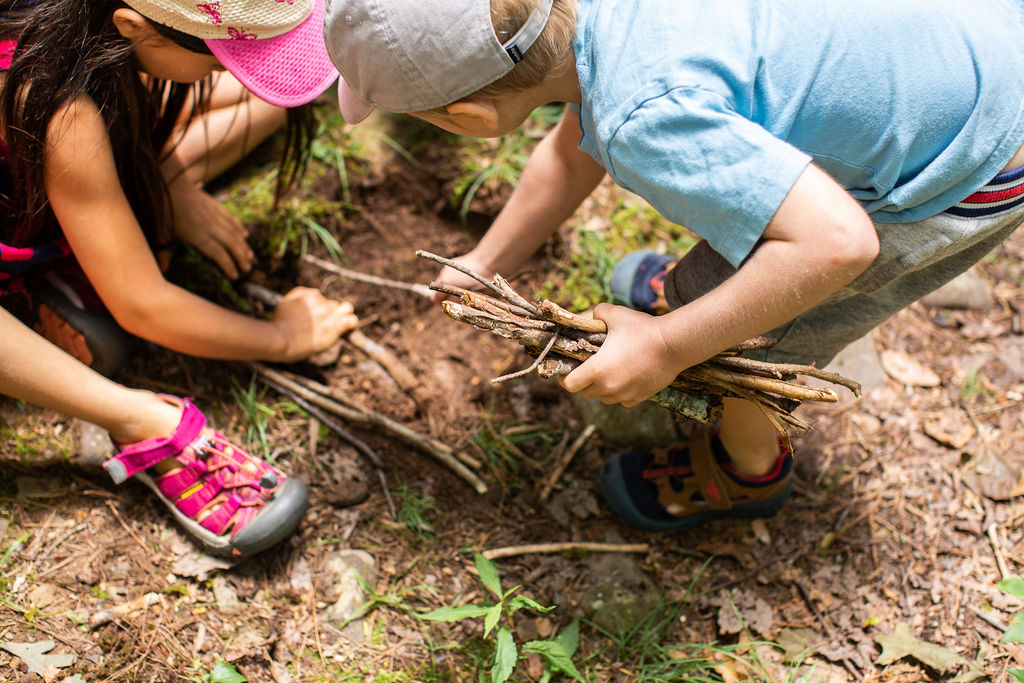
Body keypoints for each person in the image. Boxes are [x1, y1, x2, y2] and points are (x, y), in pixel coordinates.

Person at [323, 0, 1024, 532]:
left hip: (969, 168)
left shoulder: (641, 119)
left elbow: (839, 244)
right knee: (725, 270)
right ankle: (707, 298)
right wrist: (484, 261)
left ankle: (748, 471)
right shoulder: (594, 24)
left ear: (470, 119)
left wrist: (667, 344)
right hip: (979, 39)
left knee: (751, 342)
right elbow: (569, 154)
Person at [0, 0, 359, 557]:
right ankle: (136, 418)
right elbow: (144, 304)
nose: (221, 72)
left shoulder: (76, 26)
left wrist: (169, 175)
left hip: (56, 135)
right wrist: (283, 339)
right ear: (133, 27)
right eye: (218, 60)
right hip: (50, 137)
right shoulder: (59, 108)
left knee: (272, 99)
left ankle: (69, 262)